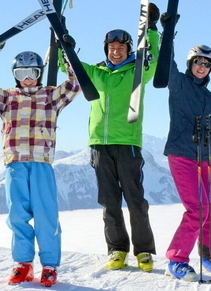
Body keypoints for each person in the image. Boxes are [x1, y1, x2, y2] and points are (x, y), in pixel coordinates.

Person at [58, 3, 160, 272]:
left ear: (128, 50)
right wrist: (62, 40)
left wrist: (151, 30)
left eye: (121, 48)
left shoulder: (138, 72)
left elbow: (153, 59)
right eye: (112, 49)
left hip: (128, 144)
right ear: (106, 51)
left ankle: (144, 252)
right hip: (99, 145)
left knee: (135, 199)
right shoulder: (95, 73)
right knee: (109, 200)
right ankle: (117, 249)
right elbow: (67, 65)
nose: (116, 52)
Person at [0, 39, 81, 287]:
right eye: (22, 73)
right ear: (14, 75)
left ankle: (50, 266)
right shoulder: (6, 99)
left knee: (46, 216)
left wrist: (68, 54)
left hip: (42, 163)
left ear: (40, 73)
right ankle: (23, 263)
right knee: (18, 216)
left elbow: (74, 85)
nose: (28, 79)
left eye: (32, 72)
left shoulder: (50, 96)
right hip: (14, 163)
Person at [163, 42, 211, 282]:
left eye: (207, 64)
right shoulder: (179, 83)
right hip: (182, 154)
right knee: (198, 210)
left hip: (205, 157)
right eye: (199, 62)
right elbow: (166, 63)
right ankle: (176, 260)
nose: (202, 67)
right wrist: (167, 33)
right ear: (191, 62)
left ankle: (209, 256)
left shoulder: (210, 98)